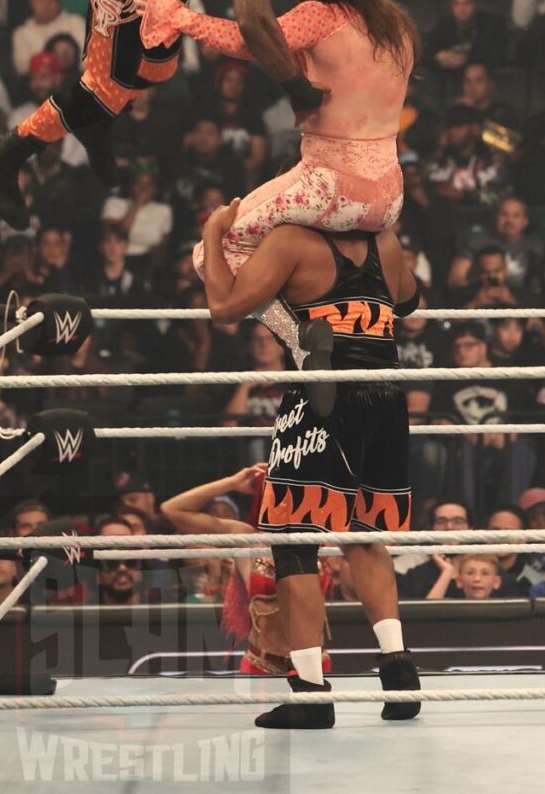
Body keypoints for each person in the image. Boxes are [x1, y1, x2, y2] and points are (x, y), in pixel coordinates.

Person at [0, 0, 388, 230]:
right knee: (104, 87)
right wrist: (296, 89)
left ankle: (94, 127)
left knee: (160, 67)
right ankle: (6, 152)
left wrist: (363, 14)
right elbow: (253, 25)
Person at [201, 203, 420, 729]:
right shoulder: (383, 239)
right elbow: (408, 302)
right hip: (387, 397)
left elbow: (223, 307)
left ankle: (310, 694)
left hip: (324, 399)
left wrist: (213, 234)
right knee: (364, 531)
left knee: (293, 538)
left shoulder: (292, 241)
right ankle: (399, 673)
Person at [145, 0, 418, 372]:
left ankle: (300, 343)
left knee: (213, 248)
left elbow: (250, 39)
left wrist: (180, 17)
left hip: (330, 186)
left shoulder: (319, 16)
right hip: (389, 196)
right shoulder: (397, 25)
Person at [161, 464, 292, 675]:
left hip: (312, 660)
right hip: (262, 661)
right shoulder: (248, 537)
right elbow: (171, 509)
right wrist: (231, 482)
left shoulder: (321, 536)